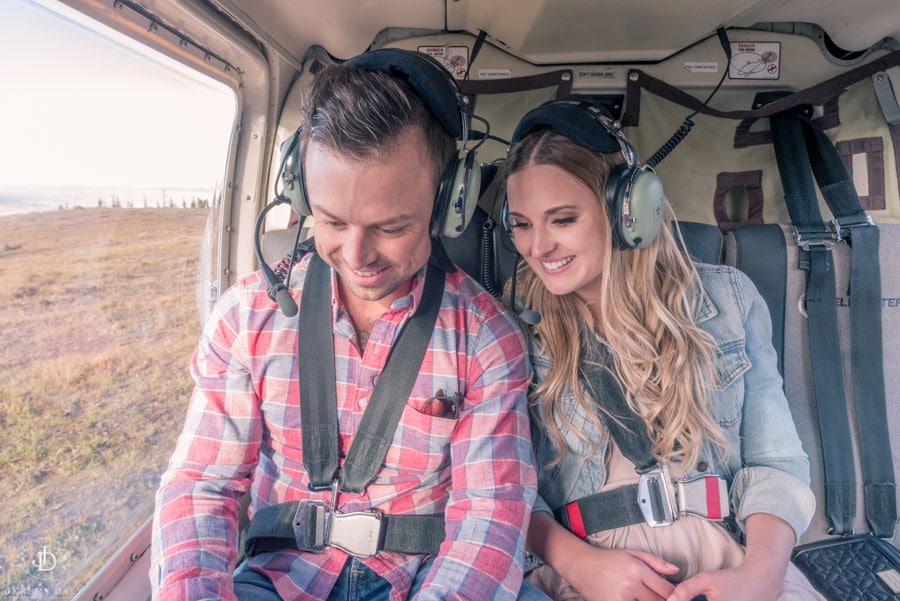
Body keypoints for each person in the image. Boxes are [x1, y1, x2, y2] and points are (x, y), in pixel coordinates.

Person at [151, 48, 547, 601]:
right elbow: (201, 484)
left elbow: (491, 513)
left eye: (390, 226)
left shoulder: (487, 339)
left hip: (424, 580)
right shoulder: (246, 318)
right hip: (276, 579)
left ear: (447, 203)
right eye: (332, 221)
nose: (358, 255)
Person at [501, 95, 824, 601]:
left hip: (728, 560)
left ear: (627, 210)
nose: (537, 247)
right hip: (583, 571)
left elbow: (777, 463)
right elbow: (502, 487)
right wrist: (582, 567)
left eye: (561, 220)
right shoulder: (511, 323)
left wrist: (758, 577)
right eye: (521, 224)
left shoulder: (729, 300)